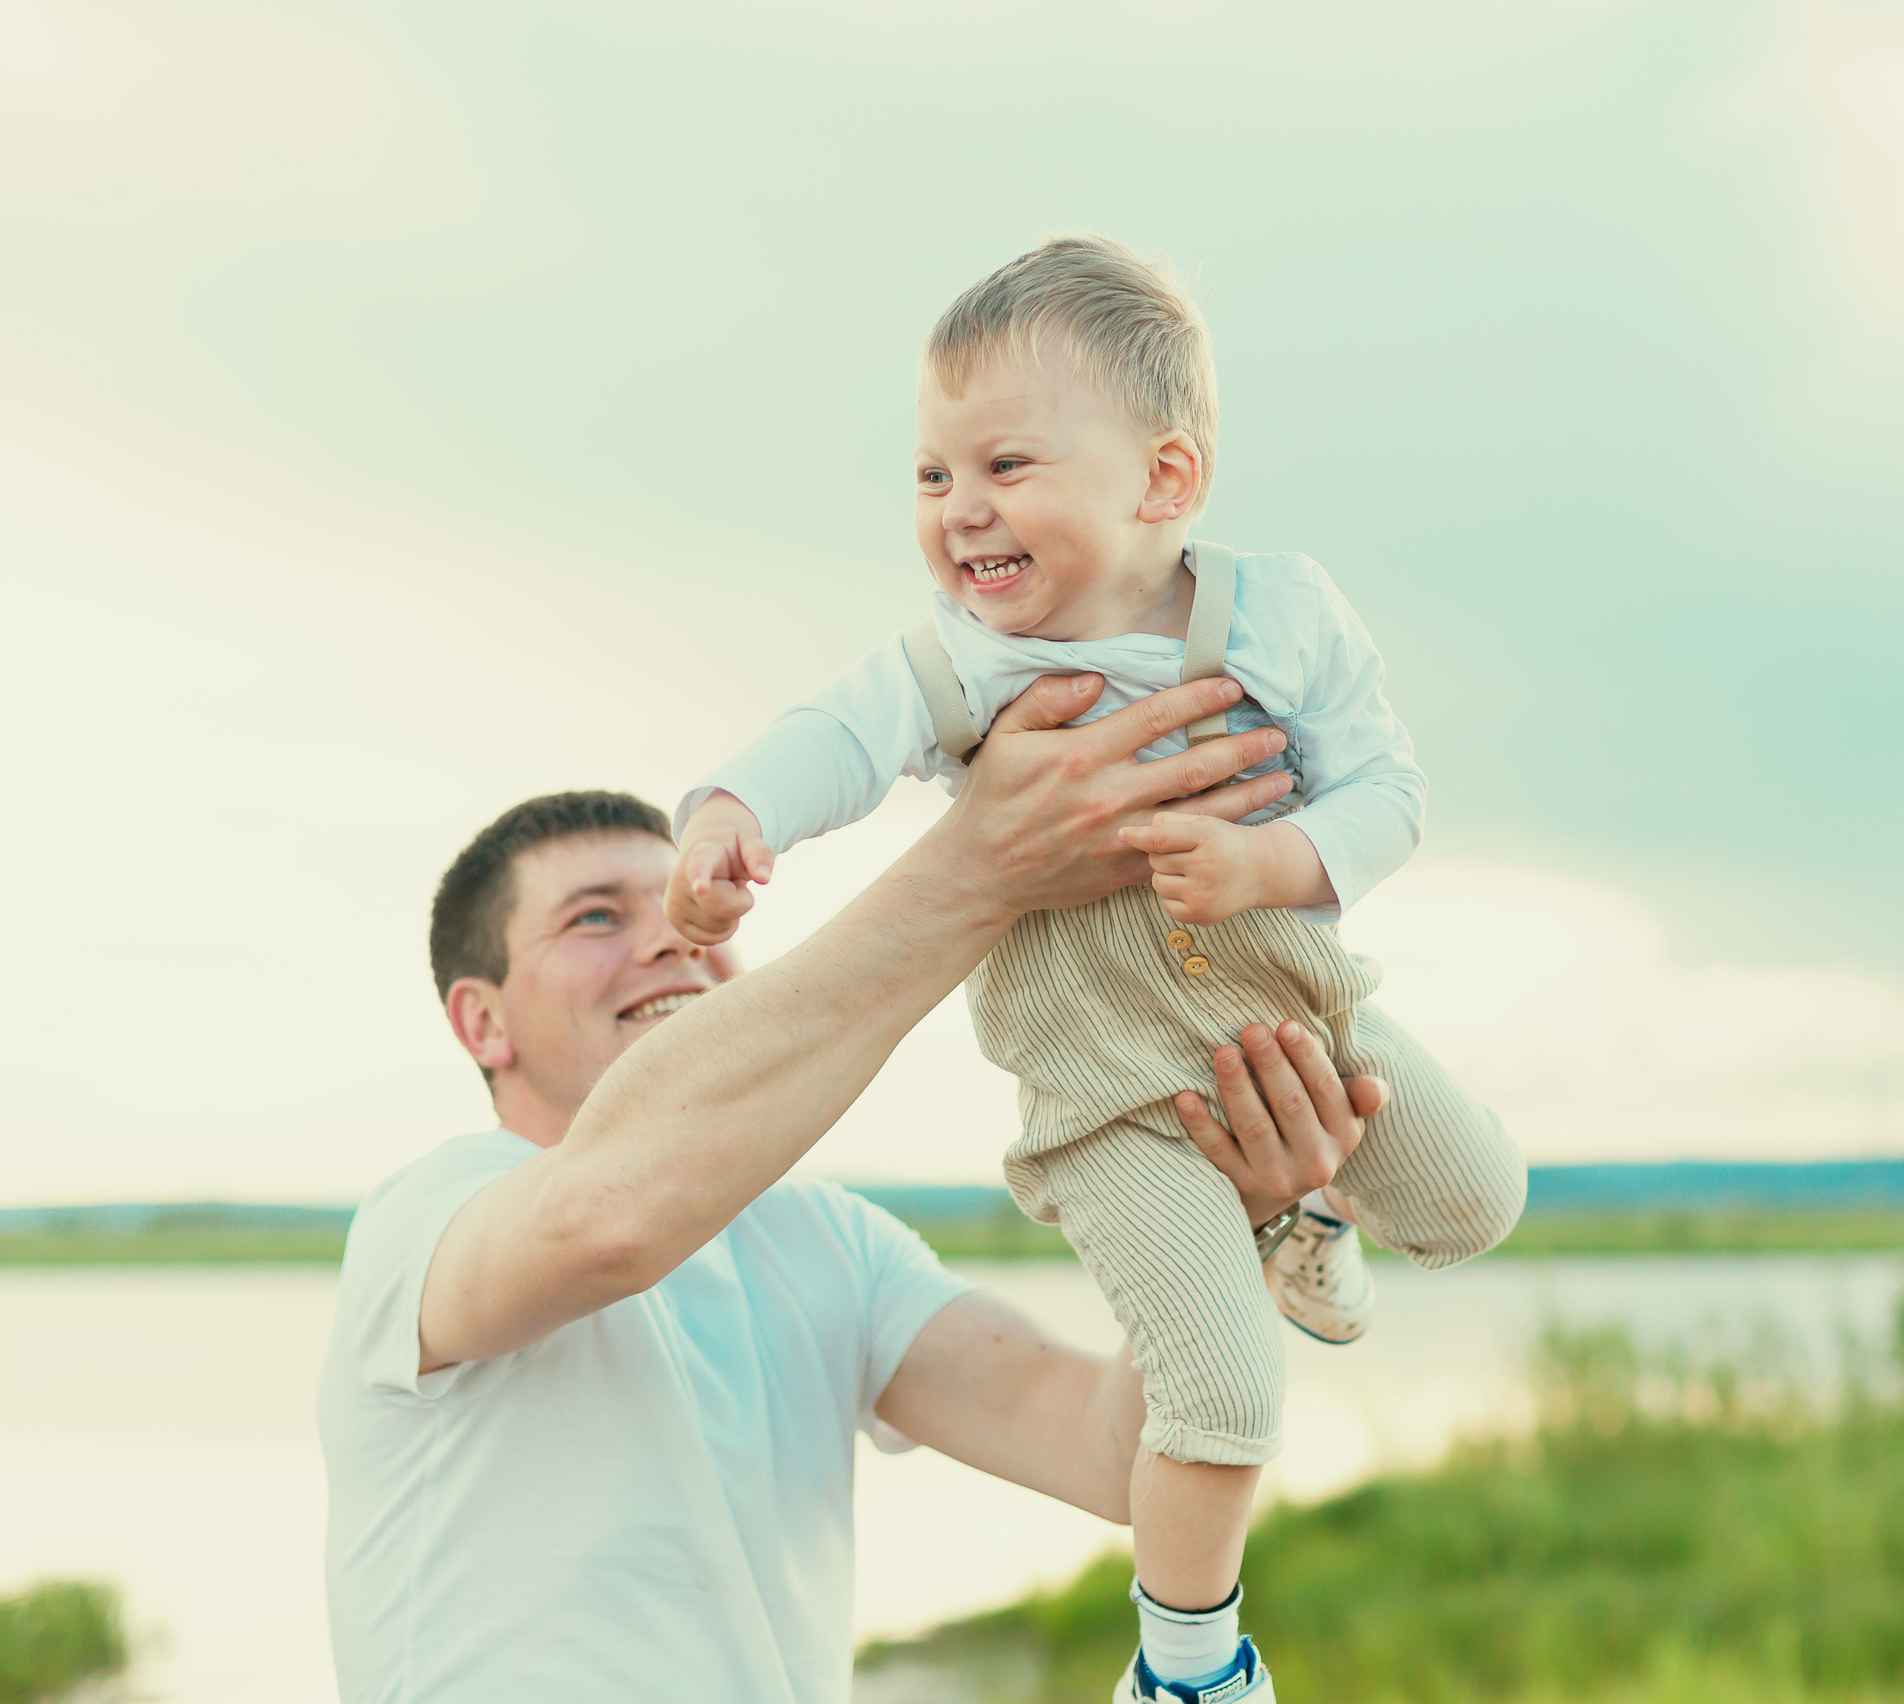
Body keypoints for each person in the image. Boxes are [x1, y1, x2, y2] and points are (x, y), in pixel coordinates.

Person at [663, 236, 1528, 1703]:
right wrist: (728, 814)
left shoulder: (1278, 613)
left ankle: (1307, 1206)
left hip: (1295, 1012)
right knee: (1223, 1394)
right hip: (1109, 1100)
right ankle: (1190, 1661)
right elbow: (831, 734)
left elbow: (1389, 789)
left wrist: (1276, 862)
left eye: (1005, 465)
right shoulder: (957, 670)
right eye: (932, 477)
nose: (961, 510)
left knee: (1479, 1195)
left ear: (1165, 481)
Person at [318, 668, 1388, 1703]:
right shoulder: (428, 1211)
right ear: (481, 1023)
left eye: (688, 905)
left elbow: (1104, 1451)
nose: (670, 939)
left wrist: (1240, 1217)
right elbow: (609, 1222)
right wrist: (981, 867)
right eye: (595, 917)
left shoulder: (827, 1243)